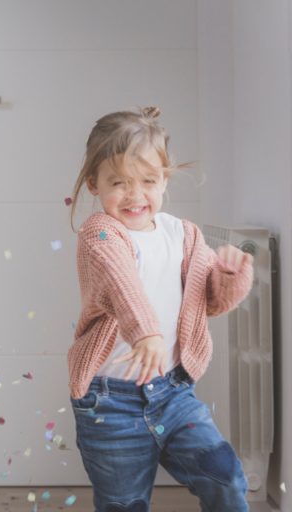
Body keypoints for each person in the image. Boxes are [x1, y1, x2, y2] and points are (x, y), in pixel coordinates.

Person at [67, 107, 254, 511]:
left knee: (224, 476)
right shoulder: (100, 234)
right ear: (93, 184)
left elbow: (212, 302)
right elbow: (123, 285)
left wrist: (229, 274)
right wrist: (146, 333)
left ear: (165, 179)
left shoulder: (183, 235)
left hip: (173, 391)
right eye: (119, 182)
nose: (136, 195)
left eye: (148, 181)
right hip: (109, 401)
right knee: (124, 503)